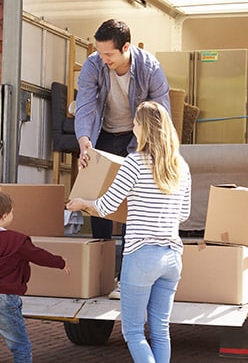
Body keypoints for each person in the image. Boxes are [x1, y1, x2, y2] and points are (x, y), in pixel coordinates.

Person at [67, 101, 191, 363]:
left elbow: (107, 205)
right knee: (160, 331)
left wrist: (82, 204)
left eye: (135, 122)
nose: (132, 126)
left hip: (141, 256)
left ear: (144, 128)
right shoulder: (181, 166)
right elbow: (184, 214)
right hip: (172, 257)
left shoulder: (134, 163)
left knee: (133, 331)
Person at [74, 19, 171, 298]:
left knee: (132, 204)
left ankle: (126, 279)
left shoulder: (149, 68)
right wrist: (84, 142)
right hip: (102, 134)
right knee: (98, 198)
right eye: (100, 52)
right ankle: (100, 274)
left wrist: (149, 152)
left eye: (109, 54)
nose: (103, 59)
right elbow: (86, 106)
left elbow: (160, 113)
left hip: (137, 137)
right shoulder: (94, 64)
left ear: (126, 48)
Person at [0, 191, 71, 363]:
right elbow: (38, 256)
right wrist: (60, 262)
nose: (12, 215)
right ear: (4, 216)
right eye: (11, 212)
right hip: (5, 298)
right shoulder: (17, 240)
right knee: (21, 346)